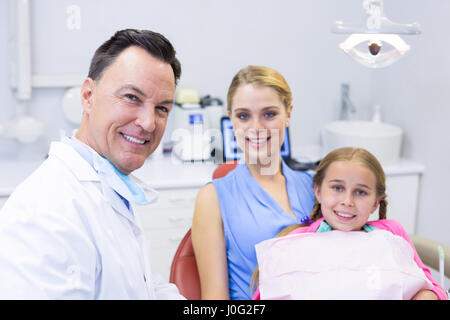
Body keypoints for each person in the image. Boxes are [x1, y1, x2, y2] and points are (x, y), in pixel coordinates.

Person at [0, 29, 185, 299]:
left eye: (162, 108)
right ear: (88, 95)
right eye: (132, 98)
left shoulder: (108, 185)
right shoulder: (48, 209)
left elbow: (146, 287)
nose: (148, 123)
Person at [252, 147, 447, 300]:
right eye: (337, 188)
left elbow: (432, 287)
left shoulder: (392, 234)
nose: (348, 201)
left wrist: (426, 295)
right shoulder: (295, 242)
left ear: (375, 203)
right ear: (318, 192)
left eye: (361, 192)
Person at [192, 65, 315, 299]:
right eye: (243, 116)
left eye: (269, 114)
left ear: (288, 114)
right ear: (231, 119)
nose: (256, 128)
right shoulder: (213, 199)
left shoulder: (313, 187)